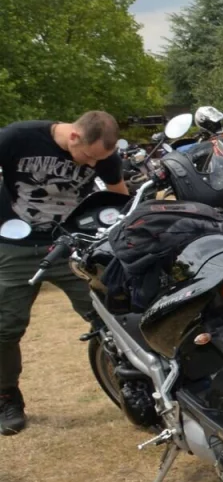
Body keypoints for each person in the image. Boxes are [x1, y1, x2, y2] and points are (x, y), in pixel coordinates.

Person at [0, 111, 129, 435]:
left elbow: (118, 196)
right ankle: (7, 397)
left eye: (98, 160)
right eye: (88, 157)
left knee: (111, 314)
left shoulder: (104, 155)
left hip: (70, 243)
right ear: (74, 136)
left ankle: (134, 380)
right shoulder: (17, 137)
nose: (92, 165)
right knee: (5, 327)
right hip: (15, 247)